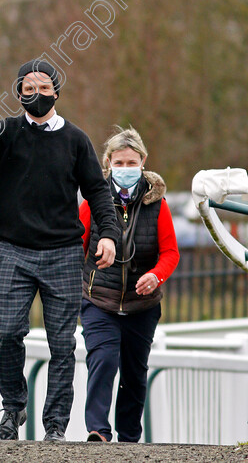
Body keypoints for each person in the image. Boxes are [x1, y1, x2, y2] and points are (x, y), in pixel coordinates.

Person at [0, 59, 121, 441]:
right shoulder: (7, 132)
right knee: (8, 334)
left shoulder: (76, 140)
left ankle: (56, 426)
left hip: (63, 252)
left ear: (57, 92)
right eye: (28, 88)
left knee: (62, 345)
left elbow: (97, 191)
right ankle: (12, 409)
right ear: (18, 94)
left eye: (44, 87)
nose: (37, 94)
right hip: (14, 251)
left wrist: (107, 234)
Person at [79, 126, 180, 443]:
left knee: (135, 375)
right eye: (119, 163)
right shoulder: (92, 203)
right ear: (108, 163)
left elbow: (171, 252)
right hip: (99, 301)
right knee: (103, 360)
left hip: (142, 307)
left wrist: (157, 276)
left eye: (131, 163)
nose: (125, 169)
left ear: (143, 161)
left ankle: (129, 439)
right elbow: (74, 247)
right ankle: (98, 430)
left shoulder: (158, 205)